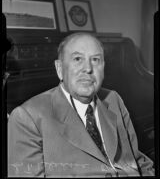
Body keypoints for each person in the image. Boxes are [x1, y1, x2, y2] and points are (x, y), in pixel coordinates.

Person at [8, 32, 154, 177]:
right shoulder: (26, 118)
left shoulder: (113, 99)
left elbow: (136, 160)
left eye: (95, 60)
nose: (88, 68)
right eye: (78, 59)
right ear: (59, 69)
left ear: (103, 68)